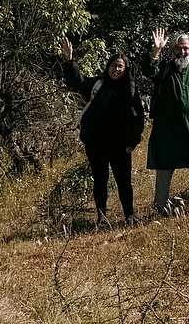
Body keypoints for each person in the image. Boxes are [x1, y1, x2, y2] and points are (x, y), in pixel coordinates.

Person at [60, 38, 145, 225]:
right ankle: (102, 218)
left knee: (124, 181)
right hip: (96, 143)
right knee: (100, 180)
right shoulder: (97, 85)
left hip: (121, 145)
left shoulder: (130, 90)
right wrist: (69, 60)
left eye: (121, 67)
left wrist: (134, 140)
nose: (117, 69)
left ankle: (130, 216)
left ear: (126, 69)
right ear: (108, 66)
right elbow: (77, 82)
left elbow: (139, 116)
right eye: (114, 65)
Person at [146, 29, 189, 216]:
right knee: (164, 166)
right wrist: (156, 51)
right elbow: (149, 71)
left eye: (185, 48)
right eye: (178, 48)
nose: (182, 52)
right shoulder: (164, 68)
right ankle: (161, 208)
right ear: (172, 50)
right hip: (166, 130)